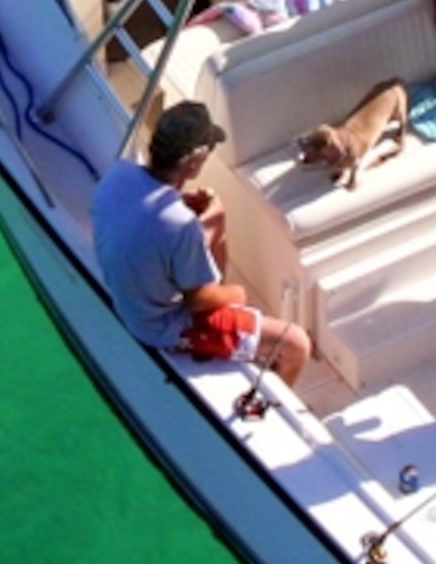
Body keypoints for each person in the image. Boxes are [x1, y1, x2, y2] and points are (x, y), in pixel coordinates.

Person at [90, 102, 312, 382]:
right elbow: (199, 301)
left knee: (214, 225)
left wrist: (197, 212)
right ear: (194, 163)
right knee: (295, 343)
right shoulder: (180, 225)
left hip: (131, 293)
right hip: (160, 327)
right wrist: (237, 295)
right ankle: (274, 402)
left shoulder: (117, 175)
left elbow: (142, 218)